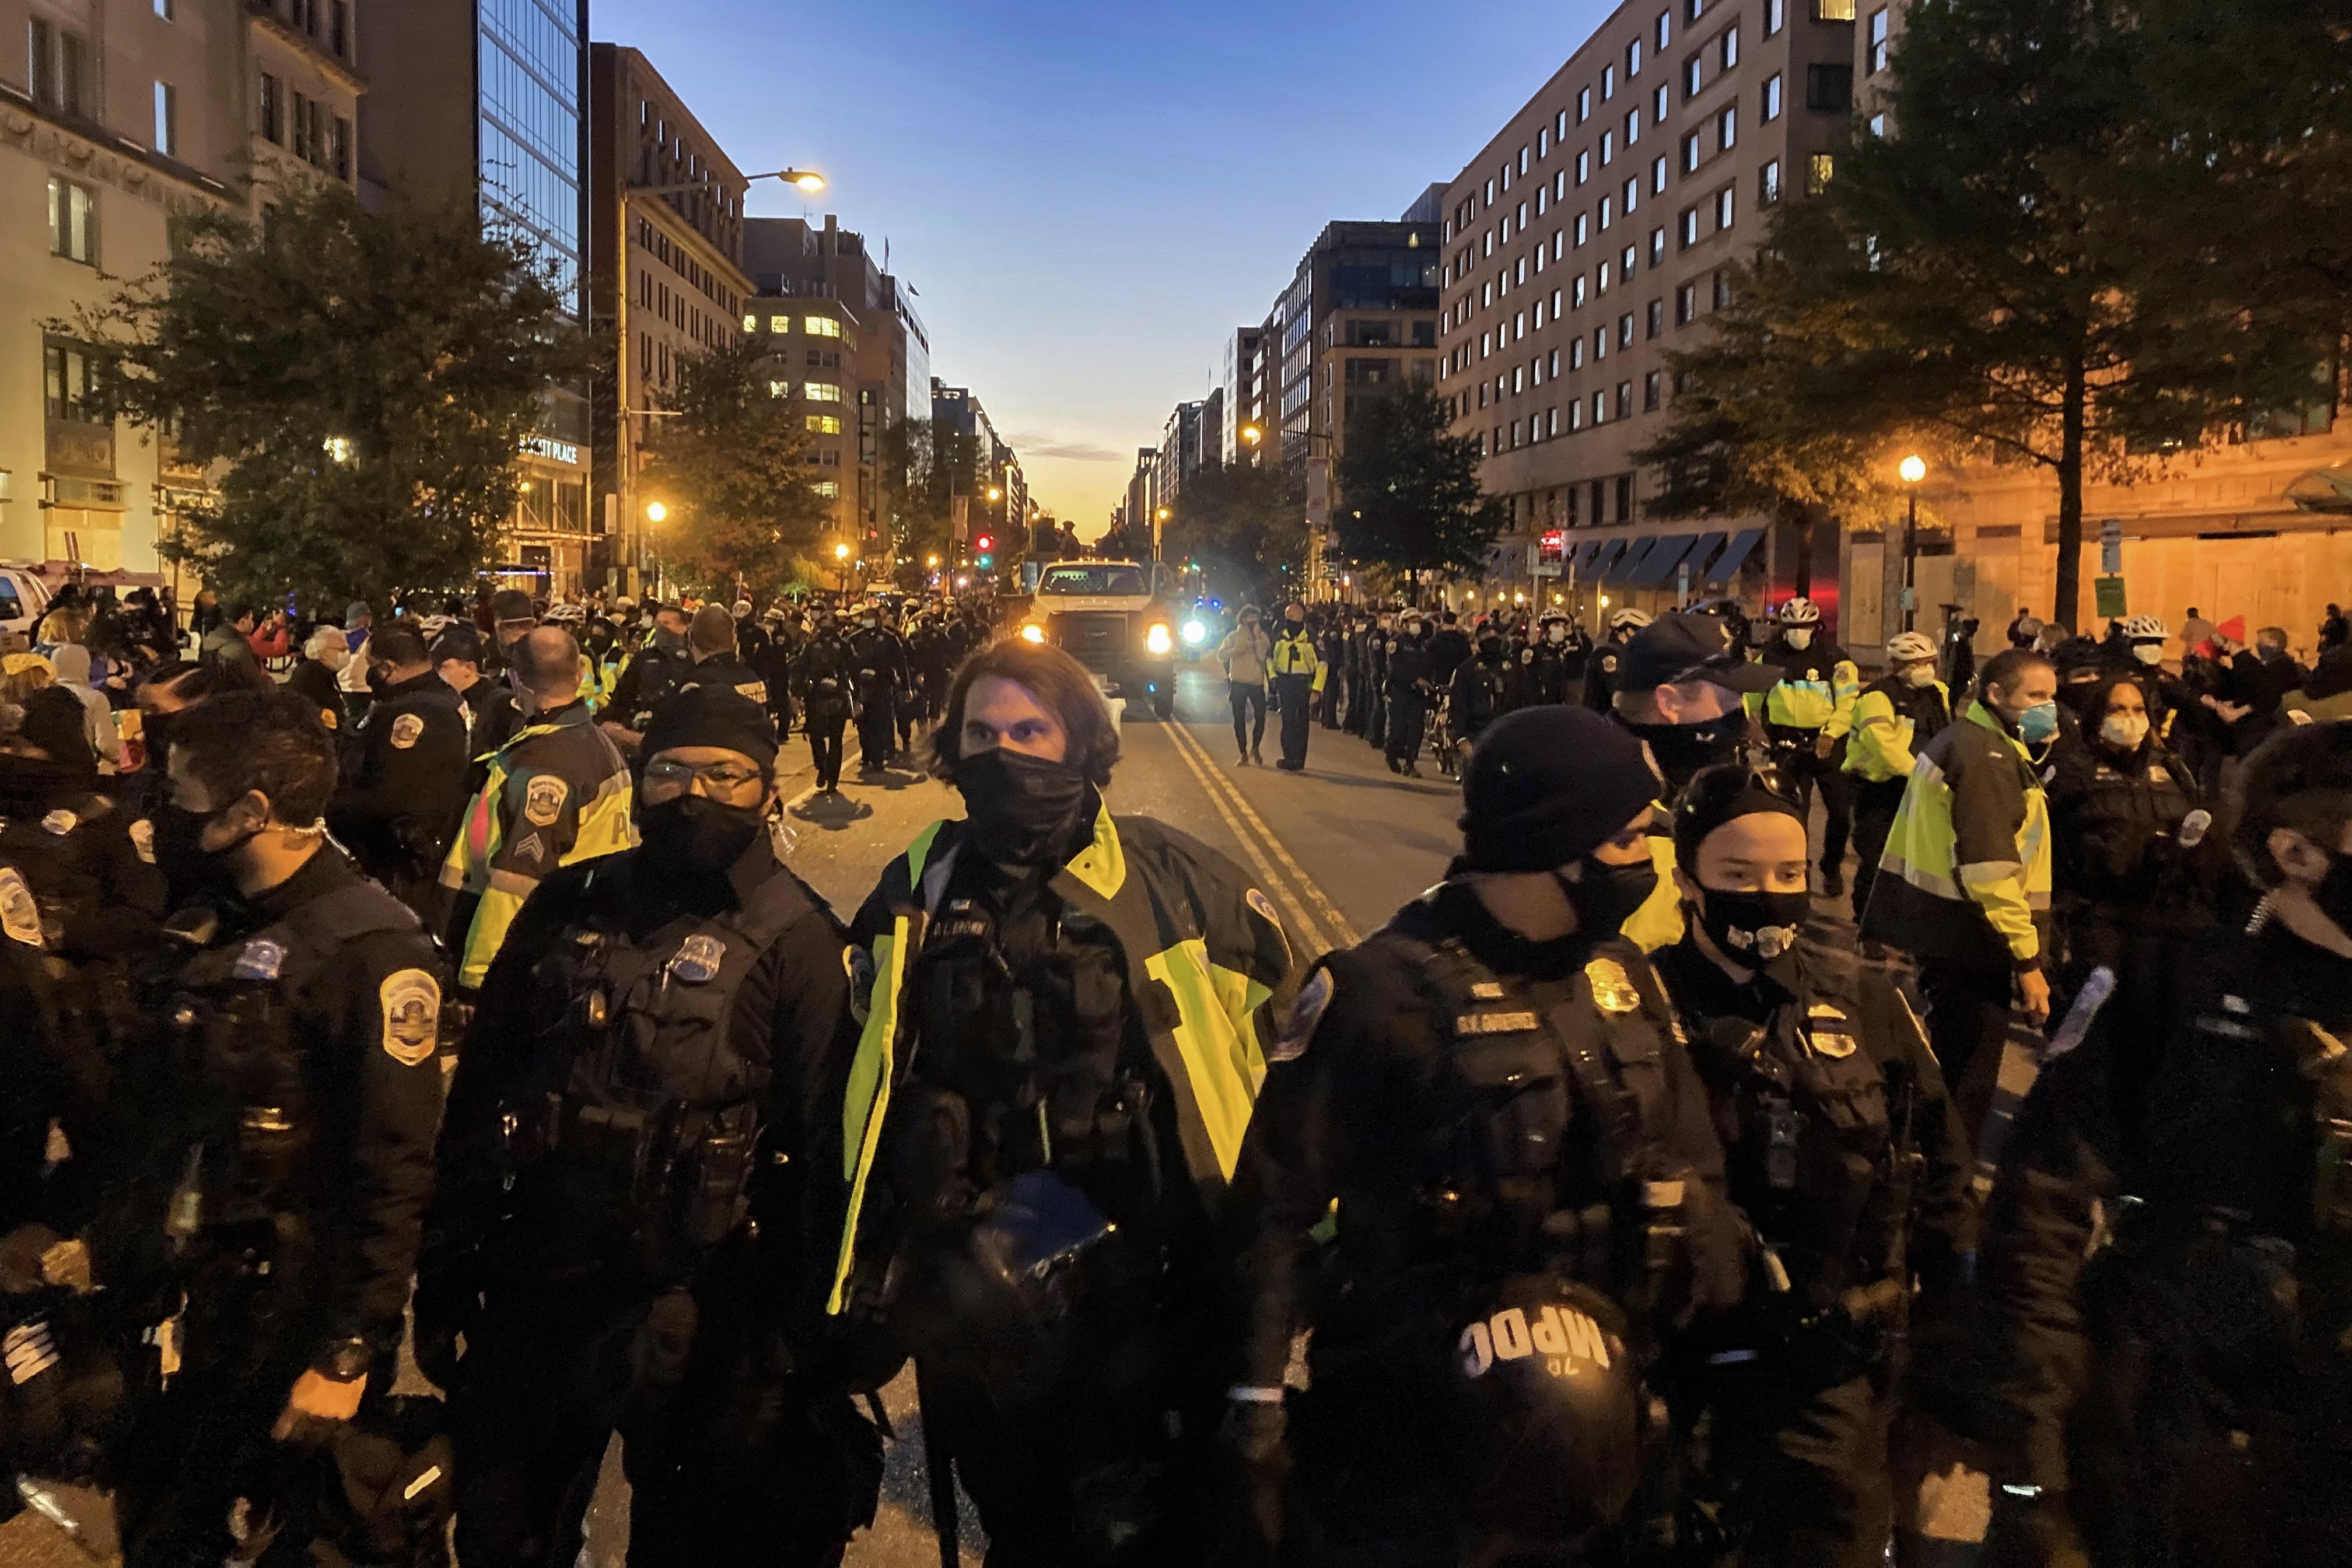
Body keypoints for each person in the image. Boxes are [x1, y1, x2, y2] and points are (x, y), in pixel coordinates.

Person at [1223, 705, 1745, 1567]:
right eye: (1627, 841)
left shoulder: (1621, 974)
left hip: (1603, 1433)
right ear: (1556, 843)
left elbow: (1695, 1164)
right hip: (1420, 1448)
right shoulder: (1378, 991)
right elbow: (1273, 1216)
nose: (1647, 863)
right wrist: (1255, 1411)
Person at [822, 638, 1298, 1567]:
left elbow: (1297, 1074)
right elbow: (860, 1068)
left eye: (1031, 730)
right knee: (1026, 1529)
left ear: (1083, 742)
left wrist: (1287, 1271)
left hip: (1154, 1301)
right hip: (982, 1309)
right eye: (982, 732)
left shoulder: (1183, 883)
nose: (1007, 753)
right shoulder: (919, 886)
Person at [419, 688, 880, 1568]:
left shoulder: (802, 940)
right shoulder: (569, 900)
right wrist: (443, 1267)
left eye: (724, 775)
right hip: (543, 1284)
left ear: (767, 792)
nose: (692, 795)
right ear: (637, 781)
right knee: (501, 1534)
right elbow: (482, 1093)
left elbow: (828, 1151)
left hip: (706, 1307)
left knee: (687, 1542)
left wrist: (804, 1339)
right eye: (669, 771)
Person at [1978, 719, 2352, 1566]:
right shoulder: (2168, 991)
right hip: (2177, 1447)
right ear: (2296, 853)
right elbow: (2040, 1231)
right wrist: (2034, 1488)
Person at [103, 689, 444, 1568]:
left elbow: (396, 1168)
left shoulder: (373, 951)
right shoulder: (209, 920)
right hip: (190, 1296)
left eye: (177, 797)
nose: (161, 816)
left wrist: (349, 1350)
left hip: (290, 1312)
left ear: (249, 813)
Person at [1652, 764, 1973, 1567]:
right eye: (1739, 874)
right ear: (1688, 877)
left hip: (1830, 1371)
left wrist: (1952, 1352)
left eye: (1789, 874)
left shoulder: (1864, 1004)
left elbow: (1941, 1171)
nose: (1768, 893)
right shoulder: (1641, 1005)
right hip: (1681, 1370)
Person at [1859, 648, 2059, 1137]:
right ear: (1995, 694)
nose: (2047, 708)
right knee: (1964, 1087)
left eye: (2052, 697)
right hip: (1970, 936)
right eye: (2035, 696)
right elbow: (1990, 870)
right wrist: (2029, 962)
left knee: (1949, 1070)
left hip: (1948, 931)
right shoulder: (1984, 756)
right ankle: (1947, 1188)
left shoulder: (1977, 741)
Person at [2045, 669, 2215, 1158]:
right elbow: (2051, 850)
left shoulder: (2171, 767)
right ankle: (2068, 1152)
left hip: (2163, 926)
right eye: (2118, 710)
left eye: (2138, 710)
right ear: (2096, 716)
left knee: (2153, 1045)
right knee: (2089, 1042)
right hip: (2099, 921)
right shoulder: (2073, 769)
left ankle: (2132, 1152)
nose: (2130, 720)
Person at [439, 626, 635, 991]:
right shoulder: (592, 742)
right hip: (580, 927)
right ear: (579, 675)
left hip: (533, 951)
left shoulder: (546, 763)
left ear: (516, 680)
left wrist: (479, 978)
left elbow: (518, 881)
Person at [326, 626, 468, 923]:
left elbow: (394, 795)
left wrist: (328, 809)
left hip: (397, 863)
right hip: (418, 854)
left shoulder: (414, 712)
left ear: (388, 668)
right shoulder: (441, 697)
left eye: (373, 667)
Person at [1750, 597, 1860, 899]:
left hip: (1828, 744)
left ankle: (1831, 866)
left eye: (1805, 626)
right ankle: (1801, 871)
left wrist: (1832, 733)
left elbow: (1849, 702)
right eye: (1794, 627)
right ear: (1784, 627)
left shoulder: (1835, 659)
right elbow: (1753, 697)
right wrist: (1755, 727)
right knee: (1796, 816)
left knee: (1840, 813)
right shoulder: (1769, 657)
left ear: (1816, 627)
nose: (1799, 632)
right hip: (1787, 745)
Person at [1845, 630, 1951, 927]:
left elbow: (1944, 732)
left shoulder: (1938, 692)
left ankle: (1909, 922)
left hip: (1926, 787)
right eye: (1916, 663)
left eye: (1929, 662)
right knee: (1878, 861)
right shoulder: (1877, 697)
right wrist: (1923, 774)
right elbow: (1885, 747)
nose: (1925, 669)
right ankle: (1869, 926)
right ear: (1896, 665)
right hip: (1882, 788)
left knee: (1920, 860)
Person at [604, 601, 695, 752]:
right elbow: (623, 694)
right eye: (658, 623)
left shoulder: (692, 658)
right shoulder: (644, 658)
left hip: (680, 741)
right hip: (642, 738)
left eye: (666, 623)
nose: (661, 628)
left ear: (683, 627)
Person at [794, 608, 857, 796]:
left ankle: (833, 780)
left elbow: (853, 669)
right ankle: (822, 767)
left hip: (837, 697)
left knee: (836, 740)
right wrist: (795, 693)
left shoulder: (844, 646)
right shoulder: (811, 645)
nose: (826, 629)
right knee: (816, 737)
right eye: (824, 625)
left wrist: (855, 695)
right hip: (815, 697)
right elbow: (800, 668)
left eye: (830, 626)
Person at [846, 603, 906, 774]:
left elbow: (900, 662)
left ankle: (878, 759)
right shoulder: (854, 639)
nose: (868, 622)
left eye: (871, 619)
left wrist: (904, 687)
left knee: (880, 724)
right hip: (861, 688)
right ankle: (866, 754)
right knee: (863, 724)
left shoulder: (889, 638)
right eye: (866, 619)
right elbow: (847, 663)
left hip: (882, 687)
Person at [1269, 602, 1325, 772]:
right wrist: (1273, 678)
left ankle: (1298, 759)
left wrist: (1317, 689)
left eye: (1292, 617)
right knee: (1287, 721)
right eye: (1287, 617)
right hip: (1285, 682)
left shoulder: (1312, 638)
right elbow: (1269, 659)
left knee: (1301, 722)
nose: (1289, 621)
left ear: (1301, 617)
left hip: (1304, 683)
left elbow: (1323, 664)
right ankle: (1288, 757)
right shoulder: (1280, 637)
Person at [1217, 606, 1273, 765]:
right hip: (1239, 683)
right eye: (1249, 618)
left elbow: (1264, 657)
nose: (1252, 621)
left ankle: (1255, 748)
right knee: (1239, 719)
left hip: (1256, 683)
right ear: (1242, 619)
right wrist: (1236, 650)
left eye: (1255, 618)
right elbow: (1221, 655)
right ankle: (1243, 752)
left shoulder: (1262, 637)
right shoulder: (1233, 636)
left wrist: (1257, 640)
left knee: (1261, 718)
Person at [1383, 610, 1436, 776]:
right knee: (1398, 729)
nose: (1416, 625)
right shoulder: (1396, 643)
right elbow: (1395, 669)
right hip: (1399, 691)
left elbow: (1429, 666)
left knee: (1417, 729)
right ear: (1404, 624)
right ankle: (1391, 754)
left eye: (1418, 622)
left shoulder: (1422, 645)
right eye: (1413, 621)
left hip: (1417, 695)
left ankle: (1410, 763)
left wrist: (1428, 682)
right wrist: (1415, 679)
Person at [285, 626, 354, 743]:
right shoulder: (312, 674)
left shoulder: (325, 672)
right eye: (342, 650)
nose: (347, 653)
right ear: (322, 653)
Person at [1583, 606, 1654, 713]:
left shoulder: (1626, 652)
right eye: (1642, 632)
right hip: (1602, 717)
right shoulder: (1608, 652)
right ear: (1629, 631)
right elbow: (1615, 686)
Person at [197, 601, 262, 673]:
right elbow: (252, 680)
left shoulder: (210, 639)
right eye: (251, 619)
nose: (252, 623)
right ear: (242, 622)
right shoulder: (240, 648)